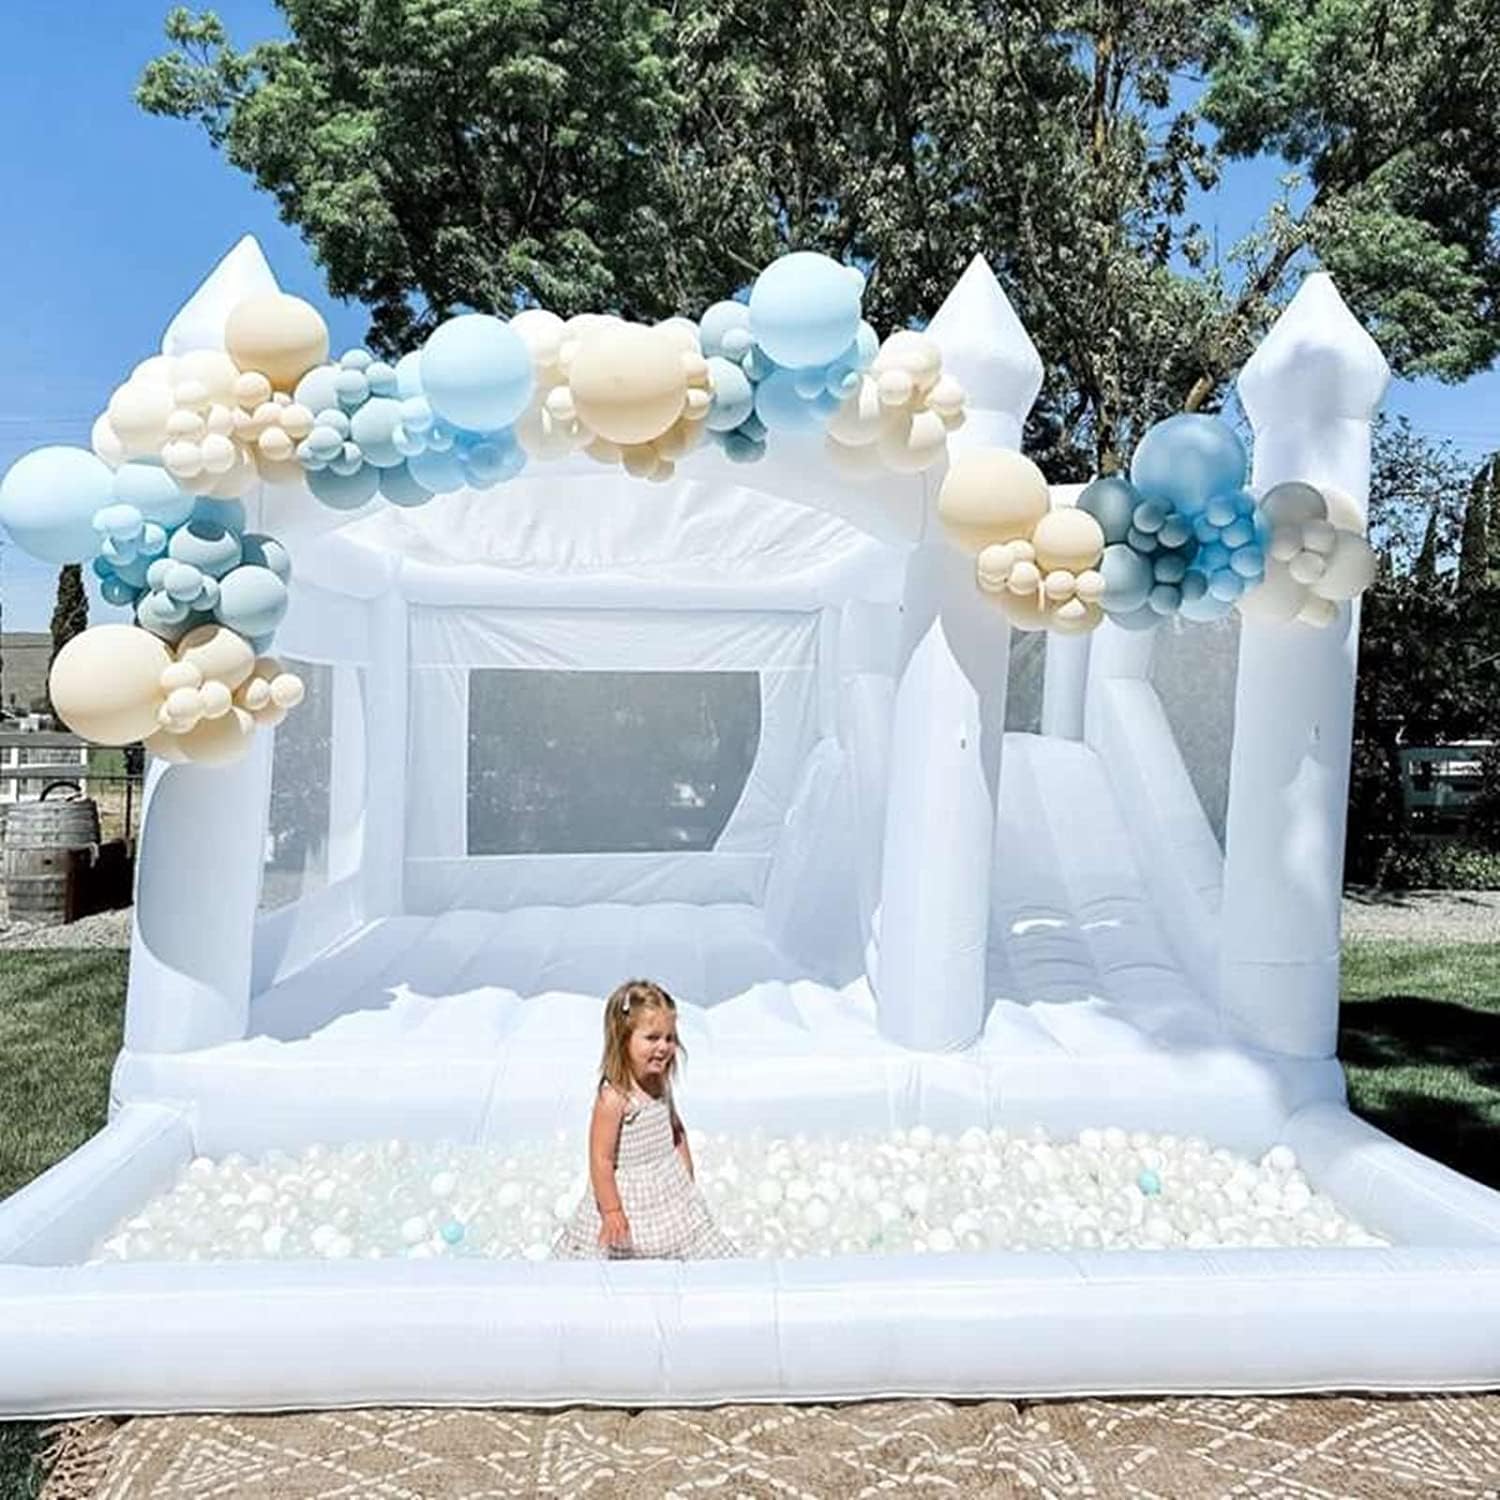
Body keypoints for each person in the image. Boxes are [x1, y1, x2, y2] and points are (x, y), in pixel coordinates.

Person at [552, 979, 736, 1261]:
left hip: (668, 1188)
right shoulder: (614, 1098)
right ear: (622, 1039)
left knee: (691, 1245)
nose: (663, 1047)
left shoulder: (659, 1082)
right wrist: (612, 1211)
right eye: (652, 1038)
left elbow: (676, 1130)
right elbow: (601, 1159)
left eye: (669, 1038)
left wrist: (686, 1175)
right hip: (628, 1197)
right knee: (627, 1258)